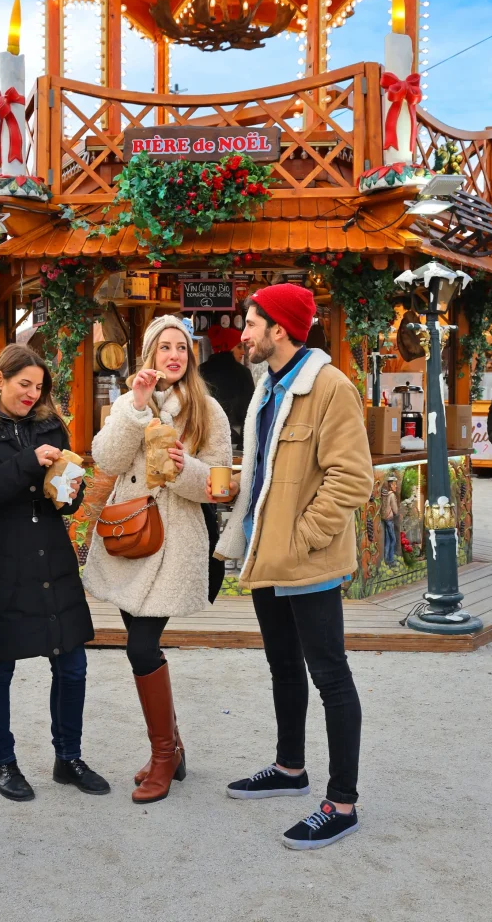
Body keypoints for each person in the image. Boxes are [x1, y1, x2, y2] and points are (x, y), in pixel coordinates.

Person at [210, 284, 373, 850]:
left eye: (252, 324)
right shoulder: (267, 386)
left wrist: (302, 538)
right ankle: (290, 769)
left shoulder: (330, 387)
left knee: (330, 676)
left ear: (280, 330)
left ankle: (343, 803)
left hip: (306, 559)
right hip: (265, 554)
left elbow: (352, 477)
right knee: (284, 667)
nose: (244, 334)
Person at [0, 345, 110, 800]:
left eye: (38, 387)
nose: (32, 394)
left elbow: (64, 499)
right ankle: (1, 764)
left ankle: (68, 758)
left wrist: (71, 489)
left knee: (73, 663)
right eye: (24, 385)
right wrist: (27, 463)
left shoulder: (49, 425)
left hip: (51, 556)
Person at [84, 316, 232, 804]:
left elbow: (219, 484)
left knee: (141, 649)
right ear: (148, 356)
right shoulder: (128, 403)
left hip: (173, 543)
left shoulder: (206, 409)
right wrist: (137, 407)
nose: (173, 355)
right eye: (163, 347)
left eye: (182, 348)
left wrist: (177, 466)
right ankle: (172, 747)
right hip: (129, 538)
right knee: (138, 644)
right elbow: (105, 458)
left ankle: (164, 755)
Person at [199, 324, 255, 450]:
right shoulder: (243, 373)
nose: (243, 352)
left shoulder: (200, 371)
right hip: (236, 441)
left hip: (205, 441)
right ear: (228, 348)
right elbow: (250, 412)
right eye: (239, 347)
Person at [381, 475, 400, 566]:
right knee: (393, 540)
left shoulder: (385, 494)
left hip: (385, 519)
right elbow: (395, 510)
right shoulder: (391, 495)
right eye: (394, 484)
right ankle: (391, 560)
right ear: (391, 485)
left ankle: (386, 559)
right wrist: (397, 513)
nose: (396, 486)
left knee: (388, 540)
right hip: (389, 520)